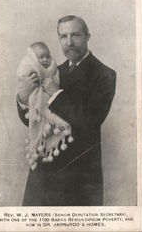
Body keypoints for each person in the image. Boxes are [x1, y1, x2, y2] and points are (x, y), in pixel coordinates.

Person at [17, 15, 116, 206]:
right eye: (63, 36)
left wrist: (56, 94)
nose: (69, 42)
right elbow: (33, 120)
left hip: (78, 179)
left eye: (75, 35)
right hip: (42, 175)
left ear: (88, 36)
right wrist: (23, 97)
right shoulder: (53, 71)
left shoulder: (105, 74)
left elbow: (90, 121)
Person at [17, 42, 73, 171]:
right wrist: (23, 97)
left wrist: (56, 93)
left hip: (68, 158)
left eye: (47, 56)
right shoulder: (30, 74)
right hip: (42, 156)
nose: (45, 60)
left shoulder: (56, 72)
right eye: (40, 57)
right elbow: (28, 119)